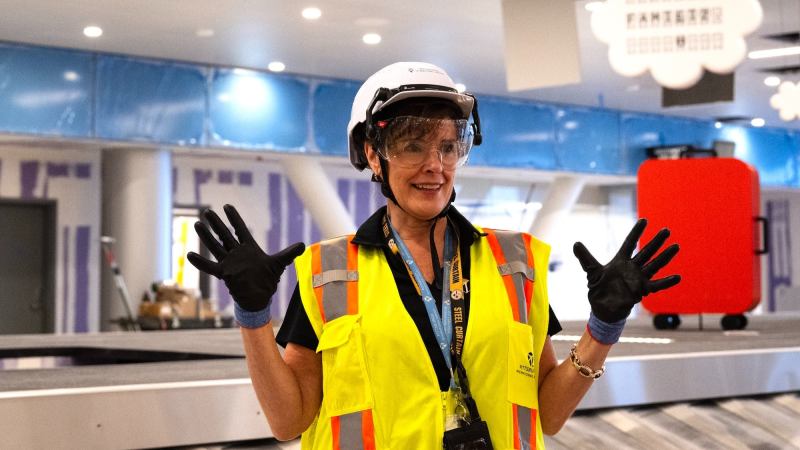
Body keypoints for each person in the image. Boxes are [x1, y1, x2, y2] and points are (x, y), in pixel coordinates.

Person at [187, 61, 680, 449]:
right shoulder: (329, 272)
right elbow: (287, 420)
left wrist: (603, 327)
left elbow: (548, 414)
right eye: (411, 146)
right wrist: (253, 316)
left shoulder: (514, 263)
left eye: (448, 147)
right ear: (373, 155)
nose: (435, 166)